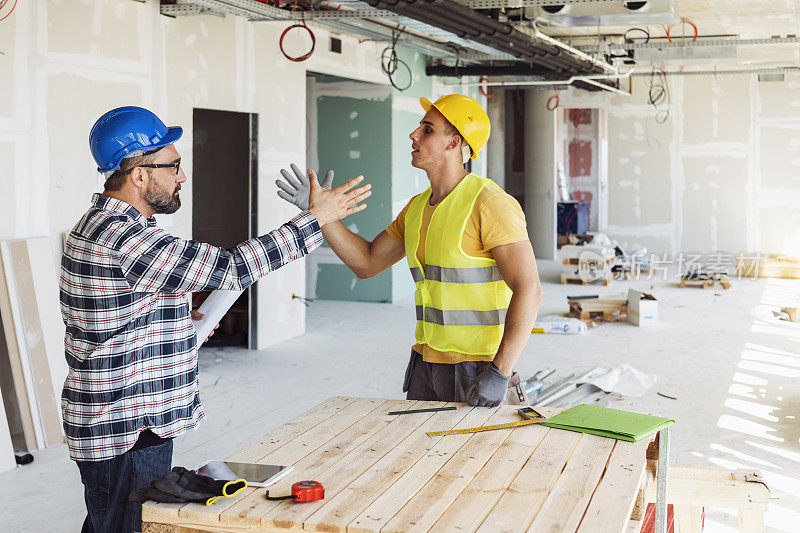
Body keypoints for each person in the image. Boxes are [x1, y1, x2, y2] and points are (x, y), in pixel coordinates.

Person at [61, 105, 371, 533]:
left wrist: (173, 322)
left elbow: (117, 306)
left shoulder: (103, 225)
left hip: (123, 423)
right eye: (173, 166)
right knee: (126, 526)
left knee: (108, 523)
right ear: (138, 175)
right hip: (129, 428)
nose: (181, 176)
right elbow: (229, 268)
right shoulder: (125, 236)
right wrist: (315, 220)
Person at [276, 94, 542, 408]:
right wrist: (321, 215)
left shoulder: (490, 203)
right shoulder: (416, 208)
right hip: (425, 364)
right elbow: (367, 263)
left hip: (479, 367)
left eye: (427, 130)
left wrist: (500, 371)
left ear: (453, 143)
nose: (413, 135)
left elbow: (530, 289)